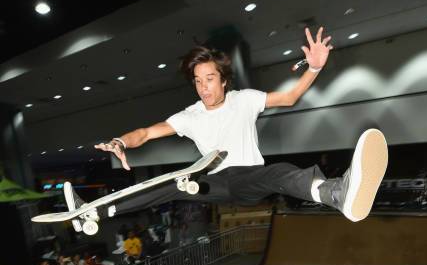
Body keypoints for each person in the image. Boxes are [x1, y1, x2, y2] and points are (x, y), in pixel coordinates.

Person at [93, 27, 388, 222]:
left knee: (279, 172)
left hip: (250, 177)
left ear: (223, 80)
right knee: (172, 184)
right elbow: (145, 134)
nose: (204, 88)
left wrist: (314, 67)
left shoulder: (244, 99)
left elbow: (289, 97)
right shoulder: (190, 115)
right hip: (214, 183)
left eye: (209, 79)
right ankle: (101, 210)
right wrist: (120, 141)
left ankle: (335, 193)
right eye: (198, 82)